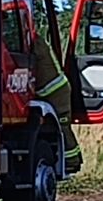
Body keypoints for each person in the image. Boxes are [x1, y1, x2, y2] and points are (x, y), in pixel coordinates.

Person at [32, 33, 82, 173]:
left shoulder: (34, 42)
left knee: (62, 125)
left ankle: (72, 161)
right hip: (54, 90)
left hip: (55, 92)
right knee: (63, 126)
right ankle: (73, 159)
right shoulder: (36, 40)